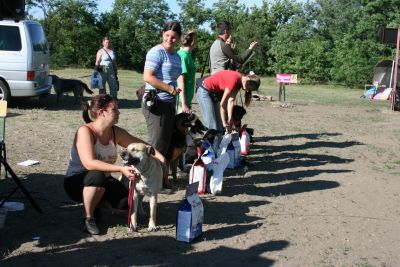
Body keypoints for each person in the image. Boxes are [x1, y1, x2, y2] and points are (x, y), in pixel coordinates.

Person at [64, 94, 166, 235]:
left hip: (103, 181)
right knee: (96, 176)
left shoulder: (115, 131)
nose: (119, 112)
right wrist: (120, 169)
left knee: (126, 204)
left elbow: (140, 144)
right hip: (77, 181)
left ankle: (95, 204)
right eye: (115, 109)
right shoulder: (85, 131)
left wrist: (159, 156)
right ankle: (88, 218)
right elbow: (89, 163)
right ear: (101, 113)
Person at [142, 21, 183, 190]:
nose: (170, 39)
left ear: (179, 38)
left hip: (169, 103)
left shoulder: (176, 55)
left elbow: (177, 75)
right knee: (157, 144)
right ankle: (149, 180)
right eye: (167, 36)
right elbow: (148, 76)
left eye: (174, 37)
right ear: (162, 35)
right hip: (156, 102)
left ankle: (161, 179)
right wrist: (169, 88)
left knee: (165, 143)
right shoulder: (156, 52)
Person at [196, 70, 260, 133]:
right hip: (204, 91)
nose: (248, 91)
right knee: (211, 124)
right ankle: (207, 142)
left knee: (219, 126)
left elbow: (231, 101)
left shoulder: (239, 83)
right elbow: (223, 103)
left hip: (215, 94)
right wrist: (224, 122)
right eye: (249, 89)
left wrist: (230, 120)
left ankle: (217, 143)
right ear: (248, 81)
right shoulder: (234, 79)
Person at [177, 29, 197, 113]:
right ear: (193, 41)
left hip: (186, 100)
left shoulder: (187, 55)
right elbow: (180, 81)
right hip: (181, 102)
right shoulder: (183, 56)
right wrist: (184, 104)